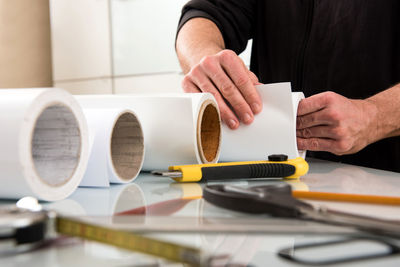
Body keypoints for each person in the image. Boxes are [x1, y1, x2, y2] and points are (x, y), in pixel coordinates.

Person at [175, 0, 400, 172]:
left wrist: (375, 117)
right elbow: (206, 14)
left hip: (383, 185)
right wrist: (204, 60)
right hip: (273, 178)